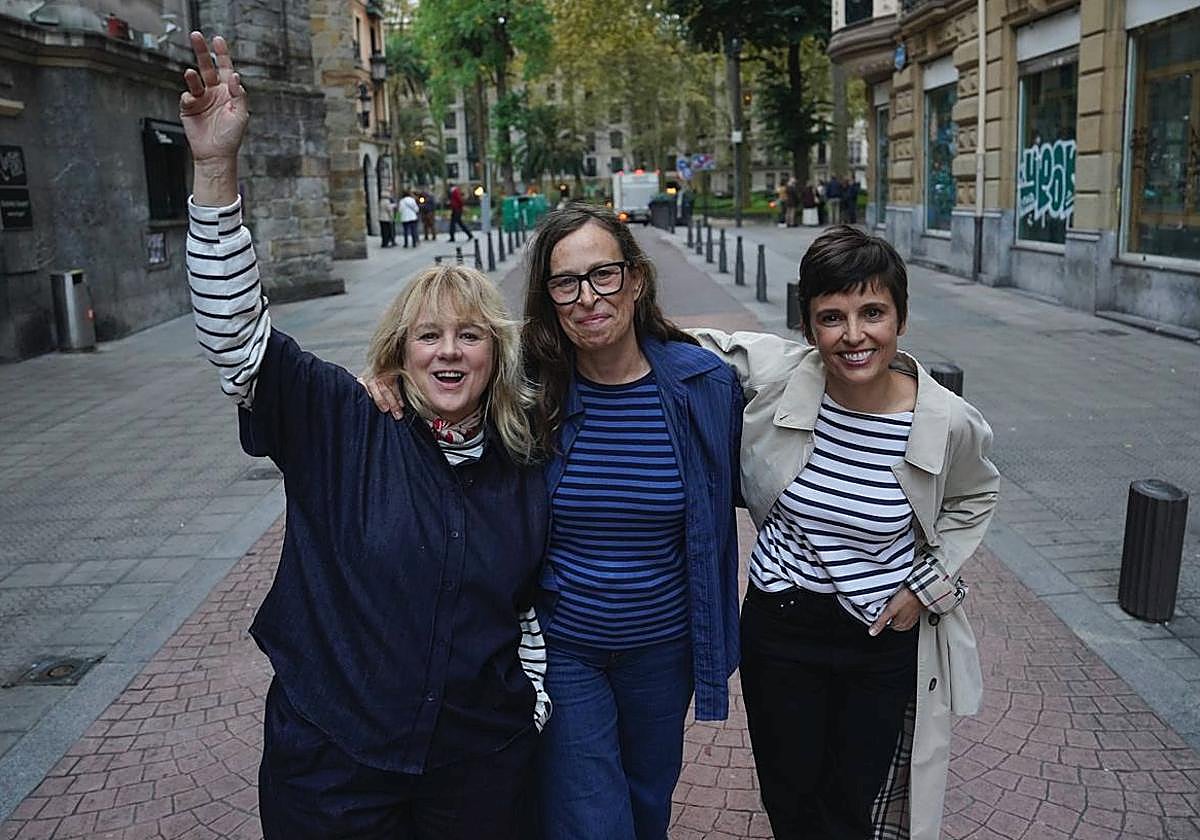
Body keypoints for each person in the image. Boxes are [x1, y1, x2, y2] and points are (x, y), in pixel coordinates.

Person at [180, 31, 550, 839]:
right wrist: (215, 173)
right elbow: (237, 339)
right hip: (333, 766)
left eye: (469, 335)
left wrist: (538, 702)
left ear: (496, 351)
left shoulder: (525, 459)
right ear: (398, 351)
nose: (449, 351)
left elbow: (528, 609)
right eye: (427, 336)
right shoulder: (343, 422)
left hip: (478, 768)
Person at [363, 203, 744, 840]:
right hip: (567, 648)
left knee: (648, 805)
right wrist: (386, 382)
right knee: (593, 821)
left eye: (604, 275)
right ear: (549, 297)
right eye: (566, 283)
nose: (587, 297)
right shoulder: (528, 392)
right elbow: (445, 389)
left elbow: (789, 415)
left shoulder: (701, 385)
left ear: (637, 279)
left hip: (665, 647)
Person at [692, 224, 999, 840]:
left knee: (853, 800)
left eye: (873, 312)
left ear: (901, 319)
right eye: (831, 317)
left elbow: (974, 499)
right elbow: (687, 343)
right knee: (790, 793)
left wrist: (925, 591)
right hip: (781, 624)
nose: (854, 335)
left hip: (879, 635)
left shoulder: (945, 421)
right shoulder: (782, 376)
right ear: (807, 328)